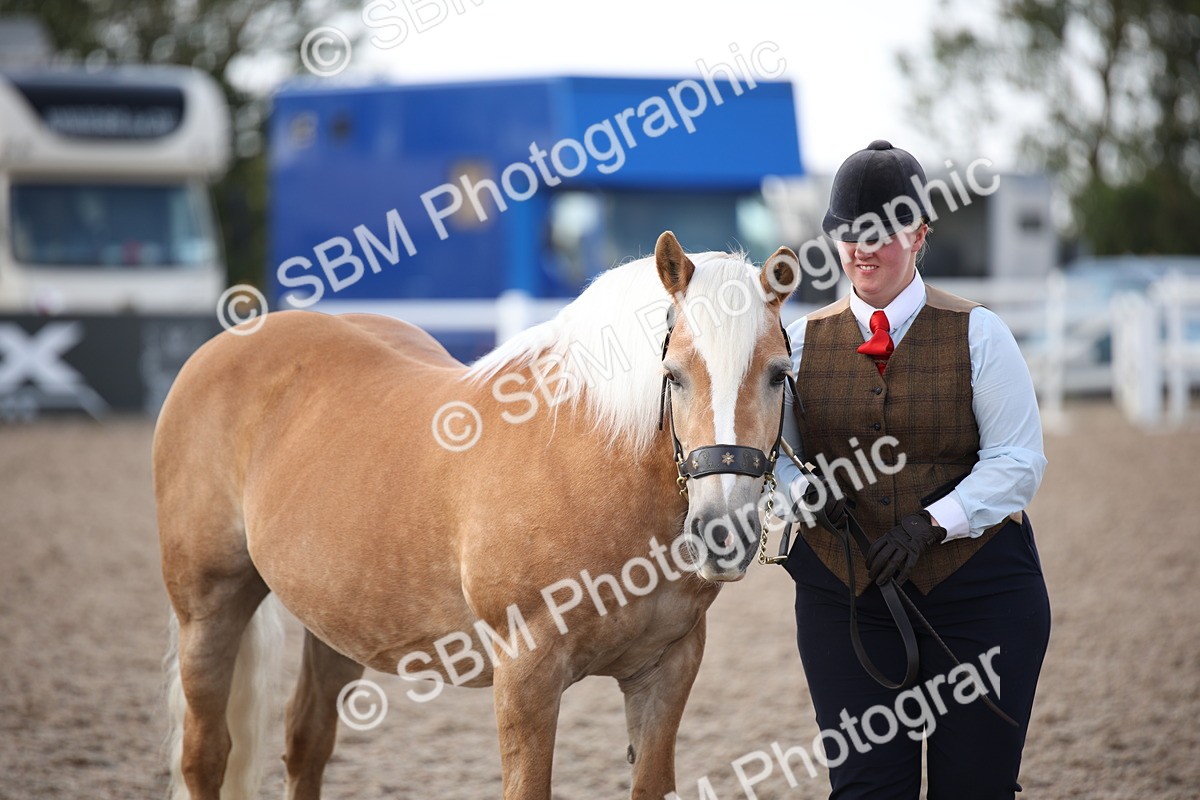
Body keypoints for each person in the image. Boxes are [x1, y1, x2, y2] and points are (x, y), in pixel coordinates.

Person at [774, 140, 1051, 799]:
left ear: (920, 234)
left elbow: (1018, 461)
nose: (864, 249)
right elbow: (776, 460)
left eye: (883, 233)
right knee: (866, 788)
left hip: (981, 594)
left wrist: (933, 523)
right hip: (847, 601)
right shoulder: (799, 344)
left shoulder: (980, 334)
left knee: (974, 788)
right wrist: (803, 495)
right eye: (849, 234)